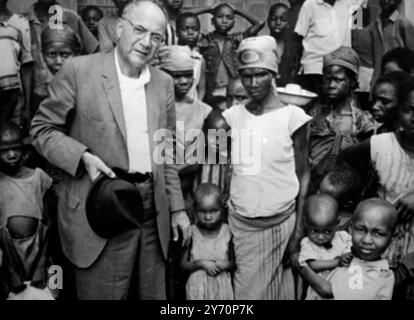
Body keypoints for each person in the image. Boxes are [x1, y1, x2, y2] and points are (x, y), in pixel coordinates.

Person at [30, 0, 190, 300]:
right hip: (100, 206)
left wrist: (178, 208)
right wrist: (81, 157)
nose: (146, 42)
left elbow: (165, 153)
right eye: (139, 30)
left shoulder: (163, 83)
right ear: (119, 28)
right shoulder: (79, 71)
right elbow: (42, 130)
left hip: (151, 210)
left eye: (156, 36)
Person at [221, 35, 311, 299]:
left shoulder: (294, 118)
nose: (252, 83)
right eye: (246, 76)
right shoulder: (231, 117)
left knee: (282, 291)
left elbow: (303, 173)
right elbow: (222, 167)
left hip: (282, 224)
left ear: (273, 73)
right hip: (243, 226)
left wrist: (298, 230)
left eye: (259, 74)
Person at [341, 76, 414, 269]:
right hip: (381, 259)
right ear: (398, 111)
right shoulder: (380, 146)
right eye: (408, 110)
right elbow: (343, 162)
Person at [297, 198, 397, 300]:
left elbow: (328, 291)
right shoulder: (347, 253)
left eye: (378, 233)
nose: (367, 240)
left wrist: (301, 266)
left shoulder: (380, 275)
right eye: (361, 230)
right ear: (351, 229)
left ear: (391, 239)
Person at [308, 46, 375, 194]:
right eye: (327, 79)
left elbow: (366, 164)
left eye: (338, 80)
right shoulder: (313, 115)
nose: (331, 85)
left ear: (352, 81)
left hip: (342, 189)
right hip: (311, 186)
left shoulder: (361, 121)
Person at [0, 121, 54, 300]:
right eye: (4, 150)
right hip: (10, 257)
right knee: (15, 294)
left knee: (57, 286)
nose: (11, 154)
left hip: (44, 253)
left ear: (25, 150)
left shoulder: (39, 177)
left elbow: (51, 223)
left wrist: (42, 263)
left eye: (16, 148)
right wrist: (9, 271)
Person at [158, 45, 212, 213]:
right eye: (176, 76)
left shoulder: (204, 111)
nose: (184, 81)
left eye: (188, 75)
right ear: (162, 74)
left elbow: (212, 155)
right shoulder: (153, 108)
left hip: (188, 196)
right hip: (156, 194)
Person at [28, 0, 99, 115]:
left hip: (70, 94)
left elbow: (93, 51)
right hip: (38, 95)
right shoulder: (24, 21)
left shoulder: (71, 18)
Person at [294, 0, 368, 94]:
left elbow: (362, 18)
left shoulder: (350, 3)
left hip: (341, 69)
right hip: (315, 69)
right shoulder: (309, 5)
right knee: (315, 106)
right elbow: (298, 37)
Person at [196, 2, 265, 100]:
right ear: (212, 21)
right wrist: (208, 9)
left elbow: (260, 23)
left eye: (229, 17)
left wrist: (236, 10)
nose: (224, 21)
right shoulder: (204, 40)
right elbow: (181, 17)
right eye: (220, 16)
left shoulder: (236, 40)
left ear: (233, 23)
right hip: (210, 92)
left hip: (232, 92)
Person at [181, 183, 235, 300]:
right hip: (197, 291)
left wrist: (225, 264)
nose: (208, 217)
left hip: (222, 290)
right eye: (202, 211)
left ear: (221, 209)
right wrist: (201, 263)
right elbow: (183, 265)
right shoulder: (191, 233)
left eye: (213, 211)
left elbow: (235, 262)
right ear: (195, 210)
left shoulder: (227, 232)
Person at [298, 194, 352, 300]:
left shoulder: (343, 237)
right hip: (319, 294)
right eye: (314, 231)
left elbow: (352, 250)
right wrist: (337, 262)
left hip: (342, 289)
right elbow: (311, 265)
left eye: (327, 231)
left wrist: (347, 254)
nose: (321, 237)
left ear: (337, 222)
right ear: (306, 223)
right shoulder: (307, 243)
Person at [0, 0, 33, 129]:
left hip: (14, 98)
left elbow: (26, 66)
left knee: (12, 140)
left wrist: (27, 107)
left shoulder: (20, 22)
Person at [369, 0, 414, 87]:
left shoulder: (403, 24)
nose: (386, 1)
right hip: (378, 80)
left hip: (398, 83)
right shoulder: (375, 24)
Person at [268, 0, 301, 87]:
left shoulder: (293, 48)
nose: (278, 23)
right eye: (273, 19)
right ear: (268, 21)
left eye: (283, 19)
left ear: (288, 23)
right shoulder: (263, 44)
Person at [176, 12, 206, 101]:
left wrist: (197, 107)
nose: (190, 33)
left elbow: (201, 90)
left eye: (194, 29)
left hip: (193, 106)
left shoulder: (199, 59)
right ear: (177, 32)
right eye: (185, 29)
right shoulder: (171, 55)